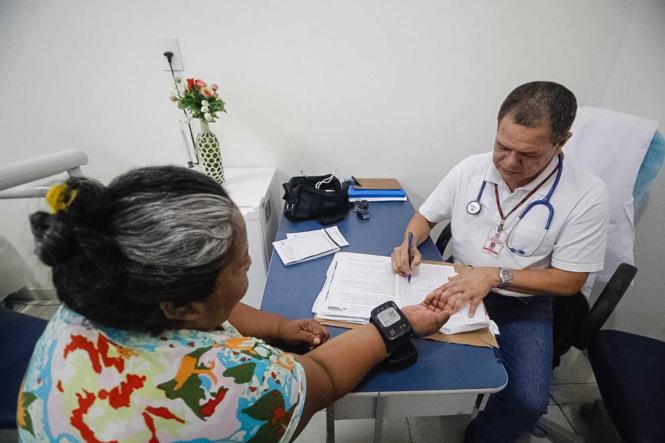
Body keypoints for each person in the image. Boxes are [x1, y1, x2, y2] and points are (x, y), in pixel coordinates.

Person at [17, 166, 451, 442]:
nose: (249, 267)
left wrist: (279, 328)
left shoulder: (95, 292)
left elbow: (212, 312)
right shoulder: (230, 381)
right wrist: (398, 325)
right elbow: (322, 376)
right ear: (182, 306)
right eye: (240, 269)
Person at [391, 81, 609, 442]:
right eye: (502, 146)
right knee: (398, 359)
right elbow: (425, 217)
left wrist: (495, 276)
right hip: (455, 285)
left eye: (528, 155)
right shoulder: (471, 169)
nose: (509, 162)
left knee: (526, 402)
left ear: (562, 142)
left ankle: (482, 436)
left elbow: (570, 280)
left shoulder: (587, 195)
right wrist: (408, 243)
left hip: (523, 304)